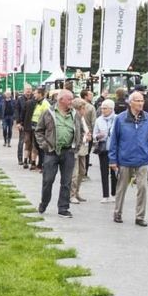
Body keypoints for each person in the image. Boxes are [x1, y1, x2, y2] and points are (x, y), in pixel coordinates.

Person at [109, 91, 148, 226]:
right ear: (130, 103)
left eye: (142, 101)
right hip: (125, 159)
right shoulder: (120, 119)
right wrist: (113, 160)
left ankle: (140, 216)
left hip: (142, 159)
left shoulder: (147, 118)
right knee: (121, 188)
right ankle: (117, 213)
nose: (141, 103)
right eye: (138, 101)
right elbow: (114, 141)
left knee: (142, 188)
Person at [35, 89, 83, 218]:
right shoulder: (48, 113)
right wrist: (45, 146)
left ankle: (63, 208)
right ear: (61, 100)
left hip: (68, 152)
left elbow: (81, 130)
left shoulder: (75, 114)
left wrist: (76, 146)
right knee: (48, 180)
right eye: (69, 99)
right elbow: (39, 131)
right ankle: (44, 203)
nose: (72, 102)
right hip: (52, 152)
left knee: (66, 182)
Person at [92, 99, 118, 202]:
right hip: (103, 149)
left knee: (114, 173)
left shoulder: (117, 119)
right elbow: (94, 135)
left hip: (114, 149)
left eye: (105, 108)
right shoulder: (99, 120)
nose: (103, 110)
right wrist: (98, 136)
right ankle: (105, 195)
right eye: (102, 108)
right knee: (104, 172)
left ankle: (114, 194)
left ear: (111, 109)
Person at [69, 98, 92, 204]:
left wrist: (88, 135)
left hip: (83, 147)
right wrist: (85, 137)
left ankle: (77, 192)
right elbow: (75, 134)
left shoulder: (82, 118)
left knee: (82, 171)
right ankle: (71, 194)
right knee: (75, 172)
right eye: (83, 108)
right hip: (75, 148)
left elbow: (84, 130)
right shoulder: (74, 118)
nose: (85, 111)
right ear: (78, 109)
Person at [29, 87, 51, 171]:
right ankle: (40, 164)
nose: (34, 95)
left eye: (35, 93)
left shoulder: (45, 104)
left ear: (40, 94)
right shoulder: (37, 103)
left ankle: (43, 165)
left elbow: (47, 117)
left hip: (41, 129)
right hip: (35, 128)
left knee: (41, 147)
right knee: (37, 147)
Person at [18, 85, 37, 168]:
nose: (28, 91)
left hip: (34, 125)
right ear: (24, 90)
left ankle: (30, 160)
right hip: (25, 125)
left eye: (30, 89)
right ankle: (21, 159)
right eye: (27, 89)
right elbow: (19, 112)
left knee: (33, 144)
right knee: (24, 142)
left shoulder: (35, 100)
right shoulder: (20, 99)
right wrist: (19, 122)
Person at [80, 89, 97, 177]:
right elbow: (94, 122)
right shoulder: (91, 107)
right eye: (90, 95)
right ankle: (84, 172)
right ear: (85, 96)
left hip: (79, 132)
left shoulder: (76, 105)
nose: (92, 96)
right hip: (88, 133)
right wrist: (94, 135)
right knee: (86, 153)